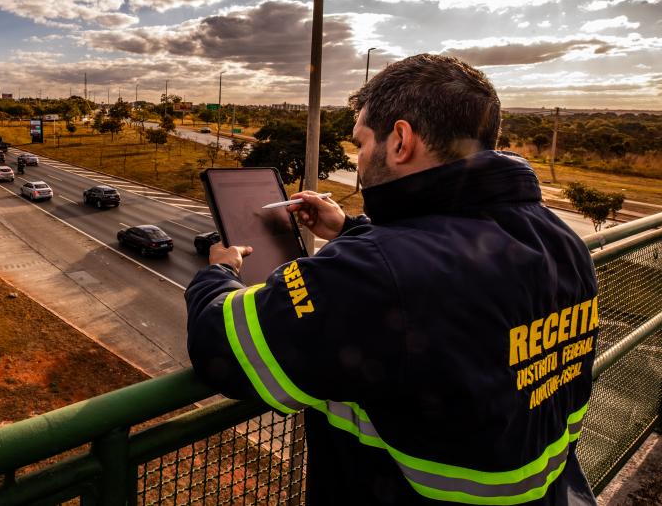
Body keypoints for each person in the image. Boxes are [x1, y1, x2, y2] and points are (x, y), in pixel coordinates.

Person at [185, 54, 598, 505]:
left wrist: (218, 272)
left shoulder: (378, 274)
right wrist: (350, 229)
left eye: (361, 143)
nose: (358, 160)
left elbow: (221, 346)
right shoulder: (559, 239)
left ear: (400, 140)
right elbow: (444, 264)